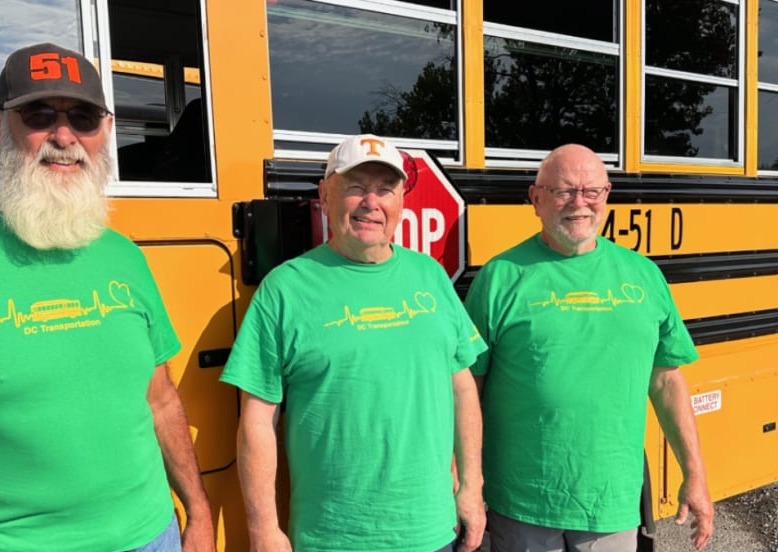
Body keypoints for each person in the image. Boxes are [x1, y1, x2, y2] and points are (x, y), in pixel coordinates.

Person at [0, 43, 215, 552]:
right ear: (0, 124)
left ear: (104, 130)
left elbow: (161, 400)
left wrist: (199, 513)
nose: (63, 137)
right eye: (39, 115)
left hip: (155, 537)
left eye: (82, 117)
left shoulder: (125, 256)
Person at [220, 134, 487, 552]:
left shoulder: (431, 276)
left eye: (385, 190)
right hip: (332, 538)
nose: (371, 203)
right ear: (325, 196)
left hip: (431, 532)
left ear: (401, 201)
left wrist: (471, 487)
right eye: (356, 188)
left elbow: (462, 387)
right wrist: (263, 528)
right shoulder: (285, 289)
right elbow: (257, 420)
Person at [464, 144, 714, 552]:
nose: (579, 203)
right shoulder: (500, 277)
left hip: (610, 503)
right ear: (535, 199)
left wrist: (695, 474)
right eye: (563, 191)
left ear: (607, 195)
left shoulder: (643, 276)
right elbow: (467, 386)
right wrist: (466, 480)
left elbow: (667, 381)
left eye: (591, 191)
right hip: (522, 503)